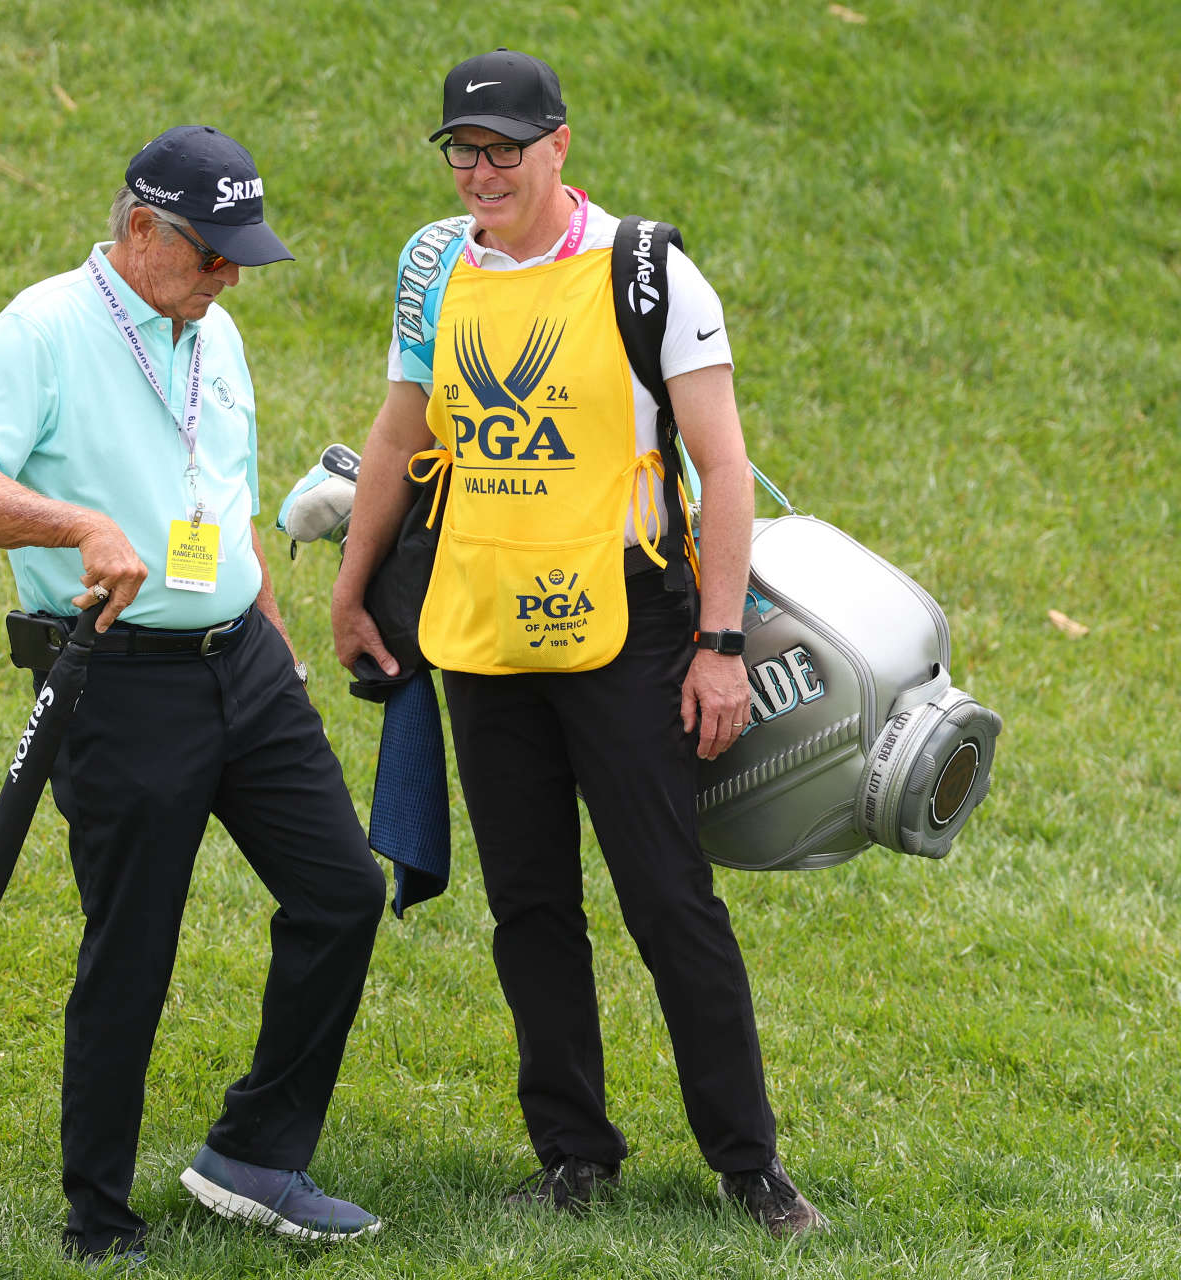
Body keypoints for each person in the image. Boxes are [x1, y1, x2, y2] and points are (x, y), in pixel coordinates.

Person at [330, 51, 829, 1236]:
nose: (482, 171)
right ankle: (574, 1153)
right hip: (484, 634)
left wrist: (718, 641)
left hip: (628, 631)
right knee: (531, 907)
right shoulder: (435, 265)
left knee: (670, 899)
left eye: (505, 148)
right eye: (463, 149)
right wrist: (353, 589)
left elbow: (721, 469)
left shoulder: (648, 271)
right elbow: (404, 431)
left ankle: (748, 1163)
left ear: (560, 144)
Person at [0, 125, 385, 1262]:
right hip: (120, 681)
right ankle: (101, 1214)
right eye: (214, 254)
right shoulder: (42, 329)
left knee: (340, 890)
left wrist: (269, 634)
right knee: (133, 944)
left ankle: (256, 1154)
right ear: (142, 232)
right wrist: (77, 523)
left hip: (244, 663)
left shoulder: (212, 328)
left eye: (240, 257)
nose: (231, 277)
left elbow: (217, 496)